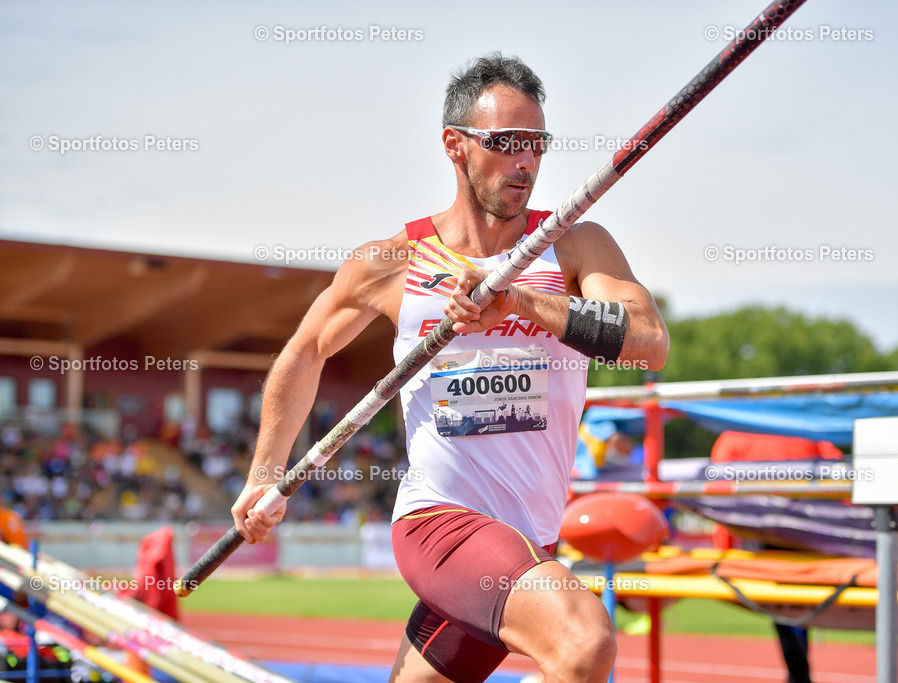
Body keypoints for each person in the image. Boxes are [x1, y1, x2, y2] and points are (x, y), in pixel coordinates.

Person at [231, 52, 669, 683]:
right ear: (455, 145)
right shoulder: (393, 262)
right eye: (506, 142)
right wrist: (264, 474)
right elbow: (305, 351)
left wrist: (522, 304)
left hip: (529, 540)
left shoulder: (576, 245)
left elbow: (649, 342)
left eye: (537, 144)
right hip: (440, 521)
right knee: (584, 642)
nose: (525, 161)